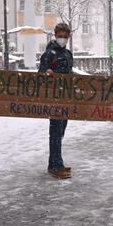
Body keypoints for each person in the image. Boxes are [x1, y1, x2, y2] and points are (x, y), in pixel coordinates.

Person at [39, 22, 74, 179]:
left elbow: (69, 72)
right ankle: (56, 166)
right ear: (55, 35)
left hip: (65, 98)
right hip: (54, 99)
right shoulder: (49, 53)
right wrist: (46, 72)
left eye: (65, 36)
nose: (62, 38)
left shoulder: (68, 54)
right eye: (60, 36)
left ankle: (54, 163)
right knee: (55, 132)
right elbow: (41, 73)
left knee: (60, 132)